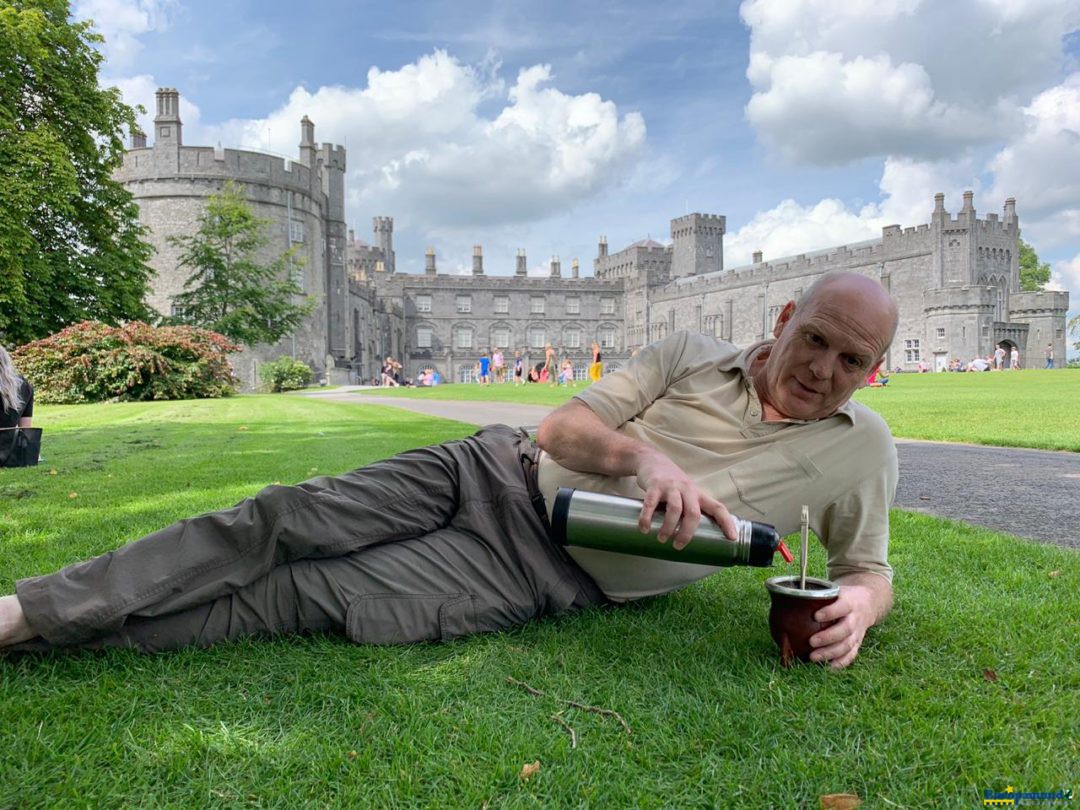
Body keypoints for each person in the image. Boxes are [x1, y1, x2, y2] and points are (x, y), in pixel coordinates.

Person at [0, 272, 898, 670]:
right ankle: (18, 614)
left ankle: (48, 644)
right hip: (488, 471)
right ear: (785, 317)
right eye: (814, 338)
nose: (822, 370)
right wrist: (644, 454)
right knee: (279, 520)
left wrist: (857, 608)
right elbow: (561, 426)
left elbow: (868, 573)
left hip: (531, 569)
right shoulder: (693, 352)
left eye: (851, 360)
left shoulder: (861, 450)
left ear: (873, 371)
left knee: (298, 598)